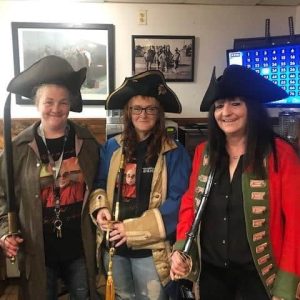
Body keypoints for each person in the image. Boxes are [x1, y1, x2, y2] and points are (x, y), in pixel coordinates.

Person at [170, 65, 300, 300]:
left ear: (253, 107)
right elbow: (191, 202)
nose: (226, 112)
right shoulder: (204, 152)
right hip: (212, 274)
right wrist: (182, 247)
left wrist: (288, 283)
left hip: (260, 277)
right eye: (219, 106)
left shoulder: (281, 154)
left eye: (236, 103)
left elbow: (296, 222)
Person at [0, 55, 100, 299]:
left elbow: (99, 186)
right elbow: (2, 197)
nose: (56, 109)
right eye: (49, 101)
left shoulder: (86, 143)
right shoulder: (18, 148)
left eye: (63, 102)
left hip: (79, 249)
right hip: (38, 251)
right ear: (37, 104)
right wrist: (4, 232)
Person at [89, 70, 191, 300]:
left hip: (151, 252)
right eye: (137, 108)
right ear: (128, 112)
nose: (143, 114)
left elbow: (180, 201)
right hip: (114, 247)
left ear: (159, 113)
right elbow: (98, 184)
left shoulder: (175, 153)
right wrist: (101, 209)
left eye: (151, 108)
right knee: (123, 296)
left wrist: (131, 230)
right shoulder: (111, 148)